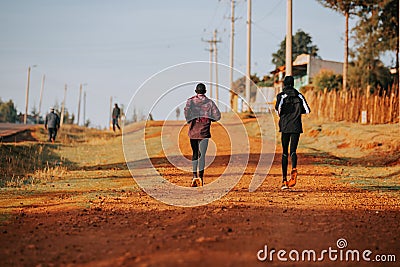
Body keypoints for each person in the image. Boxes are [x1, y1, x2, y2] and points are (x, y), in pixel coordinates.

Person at [275, 76, 310, 190]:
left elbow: (279, 111)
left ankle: (284, 180)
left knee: (285, 152)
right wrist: (297, 111)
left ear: (284, 84)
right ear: (293, 84)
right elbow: (307, 110)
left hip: (285, 127)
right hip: (296, 126)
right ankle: (294, 169)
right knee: (293, 151)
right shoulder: (299, 95)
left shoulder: (281, 96)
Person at [184, 83, 221, 187]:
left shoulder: (190, 101)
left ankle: (194, 176)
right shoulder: (210, 103)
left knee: (195, 153)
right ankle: (201, 177)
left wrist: (189, 121)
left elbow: (186, 111)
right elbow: (217, 116)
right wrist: (209, 120)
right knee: (202, 155)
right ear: (205, 91)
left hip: (193, 131)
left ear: (196, 91)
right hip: (204, 131)